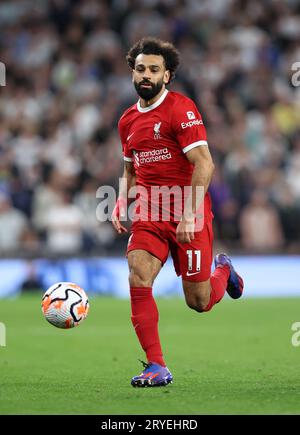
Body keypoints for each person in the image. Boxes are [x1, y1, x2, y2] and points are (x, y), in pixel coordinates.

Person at [112, 37, 244, 387]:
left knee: (198, 302)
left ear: (166, 76)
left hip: (190, 213)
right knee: (138, 274)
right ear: (132, 73)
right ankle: (156, 365)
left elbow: (205, 164)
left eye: (154, 69)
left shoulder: (181, 110)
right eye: (140, 68)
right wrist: (121, 200)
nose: (146, 74)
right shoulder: (127, 121)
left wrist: (188, 214)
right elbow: (130, 169)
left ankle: (223, 270)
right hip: (151, 214)